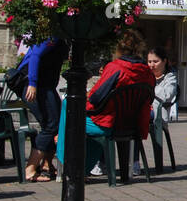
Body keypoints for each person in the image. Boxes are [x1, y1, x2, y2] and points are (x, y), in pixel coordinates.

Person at [58, 28, 153, 176]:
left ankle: (66, 161)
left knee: (69, 106)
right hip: (133, 124)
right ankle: (82, 169)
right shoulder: (146, 71)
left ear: (118, 48)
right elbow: (149, 98)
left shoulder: (116, 67)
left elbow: (96, 98)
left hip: (110, 124)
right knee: (90, 123)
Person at [16, 37, 68, 181]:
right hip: (38, 87)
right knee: (51, 124)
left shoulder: (60, 38)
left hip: (46, 86)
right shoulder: (52, 37)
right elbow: (35, 56)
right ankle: (30, 169)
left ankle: (47, 164)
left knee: (56, 123)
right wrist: (33, 83)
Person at [146, 48, 178, 173]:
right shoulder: (144, 75)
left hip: (158, 115)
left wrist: (149, 87)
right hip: (143, 112)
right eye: (149, 62)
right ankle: (134, 162)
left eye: (155, 61)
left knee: (135, 119)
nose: (151, 65)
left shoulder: (170, 77)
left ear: (164, 61)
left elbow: (167, 95)